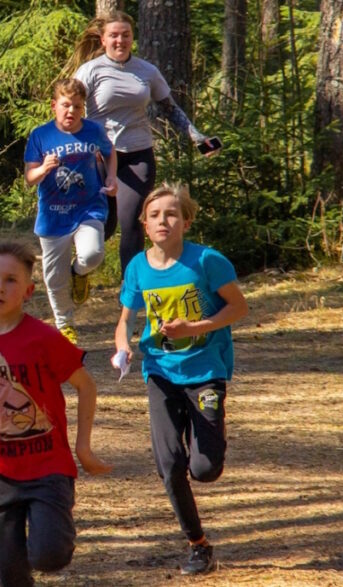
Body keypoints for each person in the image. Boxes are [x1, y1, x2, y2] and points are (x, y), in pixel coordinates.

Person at [0, 240, 112, 587]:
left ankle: (49, 532)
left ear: (28, 290)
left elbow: (86, 386)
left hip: (48, 467)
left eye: (11, 280)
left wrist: (83, 448)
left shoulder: (45, 339)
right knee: (12, 576)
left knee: (48, 556)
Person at [113, 184, 248, 576]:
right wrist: (122, 349)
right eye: (154, 215)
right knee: (169, 464)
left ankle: (212, 431)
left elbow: (238, 307)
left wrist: (197, 327)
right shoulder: (137, 267)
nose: (162, 221)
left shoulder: (207, 261)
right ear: (143, 223)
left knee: (204, 469)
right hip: (160, 372)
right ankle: (198, 545)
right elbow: (125, 321)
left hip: (206, 370)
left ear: (186, 221)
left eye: (171, 214)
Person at [70, 11, 221, 275]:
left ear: (133, 38)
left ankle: (131, 295)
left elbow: (170, 108)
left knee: (131, 223)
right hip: (100, 158)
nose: (121, 41)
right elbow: (70, 109)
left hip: (138, 154)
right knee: (104, 225)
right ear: (103, 40)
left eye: (126, 35)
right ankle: (78, 270)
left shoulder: (147, 71)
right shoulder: (90, 71)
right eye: (114, 36)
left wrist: (197, 137)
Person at [24, 78, 118, 345]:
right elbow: (29, 177)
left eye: (77, 107)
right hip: (53, 215)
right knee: (54, 276)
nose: (71, 112)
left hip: (89, 207)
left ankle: (79, 273)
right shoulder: (40, 135)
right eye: (66, 105)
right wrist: (44, 168)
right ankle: (65, 324)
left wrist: (111, 178)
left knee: (92, 254)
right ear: (54, 106)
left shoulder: (93, 131)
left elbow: (110, 153)